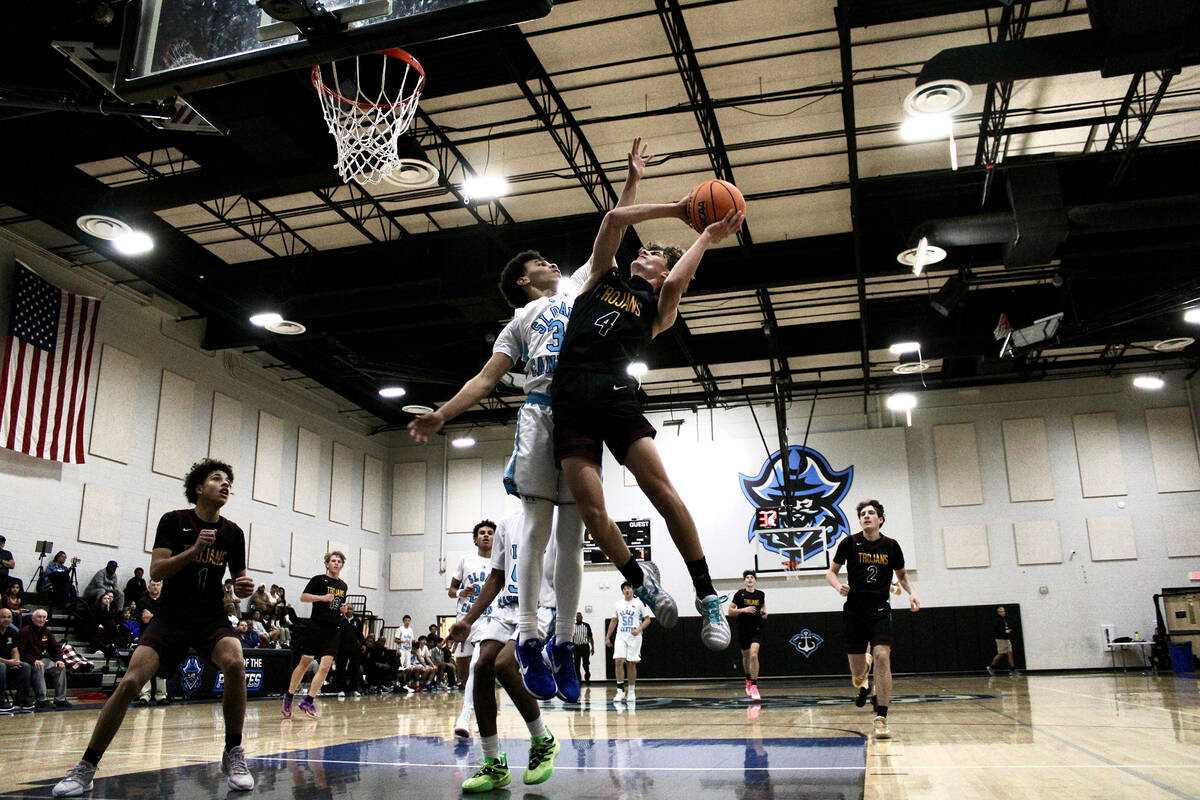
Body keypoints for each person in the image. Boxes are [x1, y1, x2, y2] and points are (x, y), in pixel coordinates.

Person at [408, 141, 658, 705]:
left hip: (583, 412)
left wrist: (632, 182)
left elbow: (613, 231)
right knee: (536, 532)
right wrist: (443, 413)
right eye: (540, 262)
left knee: (574, 537)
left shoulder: (581, 288)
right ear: (524, 280)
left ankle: (563, 642)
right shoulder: (520, 321)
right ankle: (527, 636)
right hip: (542, 414)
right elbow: (486, 379)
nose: (551, 264)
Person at [550, 183, 743, 654]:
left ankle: (707, 596)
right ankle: (643, 584)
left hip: (615, 395)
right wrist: (673, 205)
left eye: (654, 253)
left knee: (663, 493)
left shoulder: (658, 308)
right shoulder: (602, 277)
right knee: (593, 514)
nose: (644, 253)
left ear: (665, 270)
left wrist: (705, 236)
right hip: (570, 398)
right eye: (645, 249)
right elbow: (614, 220)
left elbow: (676, 284)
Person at [53, 458, 256, 797]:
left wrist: (243, 587)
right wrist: (194, 551)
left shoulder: (233, 533)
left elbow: (238, 582)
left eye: (228, 482)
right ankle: (86, 766)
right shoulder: (174, 521)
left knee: (235, 662)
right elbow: (157, 571)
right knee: (131, 682)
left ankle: (233, 751)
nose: (225, 485)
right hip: (171, 617)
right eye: (216, 478)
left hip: (210, 617)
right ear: (198, 488)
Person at [446, 511, 560, 792]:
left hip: (540, 607)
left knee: (504, 664)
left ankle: (543, 739)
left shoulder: (558, 517)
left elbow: (570, 569)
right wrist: (467, 620)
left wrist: (565, 618)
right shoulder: (507, 525)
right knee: (482, 666)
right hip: (506, 608)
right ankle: (494, 764)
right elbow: (496, 578)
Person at [825, 499, 919, 740]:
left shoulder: (891, 546)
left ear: (880, 519)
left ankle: (882, 717)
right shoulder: (849, 543)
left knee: (883, 656)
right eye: (863, 514)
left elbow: (902, 575)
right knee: (858, 675)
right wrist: (838, 586)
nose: (866, 516)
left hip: (880, 610)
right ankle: (864, 676)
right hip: (854, 612)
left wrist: (912, 593)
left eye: (871, 513)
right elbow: (831, 573)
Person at [282, 551, 348, 720]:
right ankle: (289, 696)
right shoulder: (318, 580)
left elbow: (337, 606)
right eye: (333, 560)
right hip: (316, 627)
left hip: (333, 629)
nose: (336, 563)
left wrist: (342, 610)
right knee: (305, 662)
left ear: (342, 565)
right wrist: (322, 598)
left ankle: (308, 701)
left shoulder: (343, 586)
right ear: (327, 564)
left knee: (325, 666)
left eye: (339, 561)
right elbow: (304, 597)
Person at [448, 520, 496, 737]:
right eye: (482, 533)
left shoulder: (499, 561)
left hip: (488, 619)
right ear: (475, 539)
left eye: (490, 533)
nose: (486, 535)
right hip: (465, 620)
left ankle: (466, 715)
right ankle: (478, 711)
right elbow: (451, 590)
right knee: (466, 673)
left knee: (478, 666)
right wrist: (460, 592)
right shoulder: (465, 560)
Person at [605, 582, 653, 702]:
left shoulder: (639, 603)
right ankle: (620, 690)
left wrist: (639, 629)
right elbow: (613, 621)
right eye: (625, 589)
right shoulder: (618, 604)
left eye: (629, 588)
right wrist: (607, 637)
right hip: (621, 635)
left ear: (632, 590)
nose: (627, 590)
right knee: (618, 660)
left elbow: (647, 620)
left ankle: (631, 691)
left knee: (631, 663)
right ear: (622, 592)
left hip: (634, 636)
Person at [18, 608, 70, 708]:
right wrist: (33, 660)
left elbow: (56, 648)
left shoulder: (47, 632)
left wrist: (59, 660)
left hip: (41, 659)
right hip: (28, 660)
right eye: (39, 617)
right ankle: (41, 700)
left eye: (44, 617)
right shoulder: (24, 631)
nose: (41, 619)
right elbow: (21, 651)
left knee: (60, 667)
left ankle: (60, 699)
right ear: (33, 618)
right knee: (39, 666)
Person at [730, 570, 767, 700]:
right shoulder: (739, 594)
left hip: (757, 628)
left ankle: (754, 686)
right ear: (744, 581)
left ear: (755, 580)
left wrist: (764, 613)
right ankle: (748, 680)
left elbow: (763, 608)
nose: (750, 579)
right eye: (747, 577)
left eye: (752, 577)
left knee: (754, 655)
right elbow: (730, 611)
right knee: (746, 657)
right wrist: (744, 609)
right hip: (743, 629)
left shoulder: (760, 594)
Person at [0, 607, 32, 713]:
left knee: (25, 666)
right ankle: (1, 700)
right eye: (3, 617)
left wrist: (16, 661)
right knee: (1, 666)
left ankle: (21, 700)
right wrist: (8, 662)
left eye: (9, 617)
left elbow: (15, 649)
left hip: (7, 662)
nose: (6, 619)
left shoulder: (12, 631)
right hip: (2, 664)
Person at [336, 601, 365, 696]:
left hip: (354, 648)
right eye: (347, 608)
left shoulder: (357, 621)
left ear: (353, 610)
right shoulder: (340, 620)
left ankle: (353, 689)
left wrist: (363, 644)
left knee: (354, 668)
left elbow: (360, 635)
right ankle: (340, 689)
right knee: (341, 668)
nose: (349, 610)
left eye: (351, 609)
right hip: (342, 648)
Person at [987, 606, 1018, 676]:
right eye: (1002, 611)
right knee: (1001, 654)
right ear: (998, 612)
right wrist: (1005, 631)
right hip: (1001, 639)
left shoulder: (1004, 619)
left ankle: (1013, 670)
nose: (1004, 612)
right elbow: (997, 630)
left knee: (1010, 653)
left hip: (1006, 639)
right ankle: (991, 667)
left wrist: (1008, 631)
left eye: (1004, 611)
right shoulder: (997, 620)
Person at [571, 612, 595, 684]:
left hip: (585, 647)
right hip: (576, 647)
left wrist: (593, 648)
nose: (578, 618)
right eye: (577, 617)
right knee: (576, 665)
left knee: (585, 664)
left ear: (582, 617)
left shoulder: (586, 625)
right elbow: (571, 638)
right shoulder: (573, 627)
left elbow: (591, 637)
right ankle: (579, 680)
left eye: (579, 617)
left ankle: (587, 678)